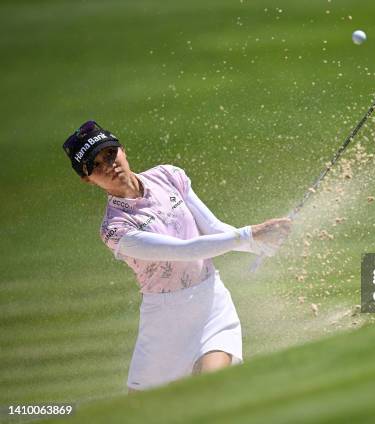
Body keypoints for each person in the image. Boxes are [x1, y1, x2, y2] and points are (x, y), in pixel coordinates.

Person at [63, 121, 291, 392]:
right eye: (96, 165)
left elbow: (215, 229)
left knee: (211, 390)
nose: (109, 165)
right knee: (143, 413)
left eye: (110, 154)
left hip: (211, 305)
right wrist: (249, 236)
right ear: (87, 179)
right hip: (164, 325)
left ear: (123, 150)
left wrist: (259, 243)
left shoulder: (168, 176)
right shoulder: (115, 228)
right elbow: (183, 250)